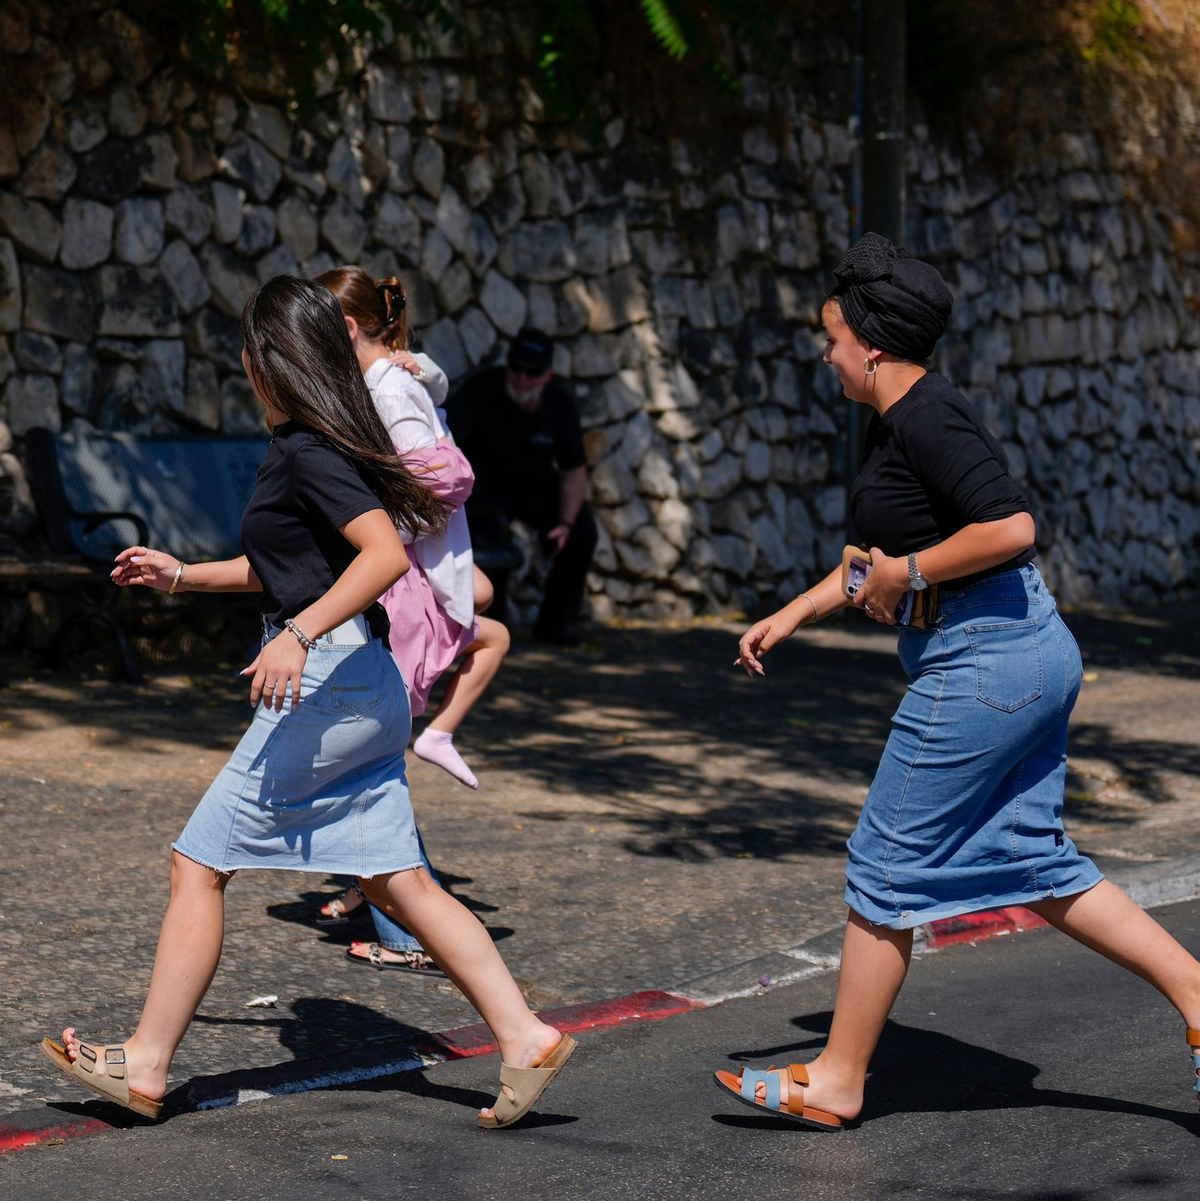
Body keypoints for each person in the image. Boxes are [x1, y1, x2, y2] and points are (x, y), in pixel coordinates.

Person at [40, 276, 575, 1129]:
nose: (244, 367)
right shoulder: (315, 444)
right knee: (397, 879)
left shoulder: (309, 451)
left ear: (271, 363)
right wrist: (181, 574)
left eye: (248, 354)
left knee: (198, 862)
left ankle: (144, 1064)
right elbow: (289, 568)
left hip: (329, 680)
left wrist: (296, 633)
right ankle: (525, 1035)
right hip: (365, 681)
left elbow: (380, 559)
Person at [713, 232, 1200, 1130]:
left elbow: (1012, 527)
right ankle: (1199, 993)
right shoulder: (900, 419)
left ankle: (838, 1078)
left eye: (831, 338)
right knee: (1032, 860)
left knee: (881, 862)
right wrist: (797, 612)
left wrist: (913, 575)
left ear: (871, 343)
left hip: (986, 659)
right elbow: (875, 558)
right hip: (1025, 646)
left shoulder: (929, 416)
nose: (824, 356)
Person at [311, 265, 510, 972]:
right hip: (408, 583)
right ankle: (390, 913)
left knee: (371, 765)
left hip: (405, 590)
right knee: (372, 759)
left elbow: (448, 475)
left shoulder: (388, 387)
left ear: (347, 328)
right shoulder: (385, 382)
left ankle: (405, 929)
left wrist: (381, 524)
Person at [446, 328, 597, 646]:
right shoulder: (481, 390)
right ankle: (489, 628)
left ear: (548, 375)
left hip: (536, 491)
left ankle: (556, 623)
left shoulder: (560, 404)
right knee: (491, 533)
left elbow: (574, 471)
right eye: (516, 369)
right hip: (483, 491)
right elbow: (447, 444)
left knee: (582, 529)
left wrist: (565, 524)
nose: (522, 379)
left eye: (533, 372)